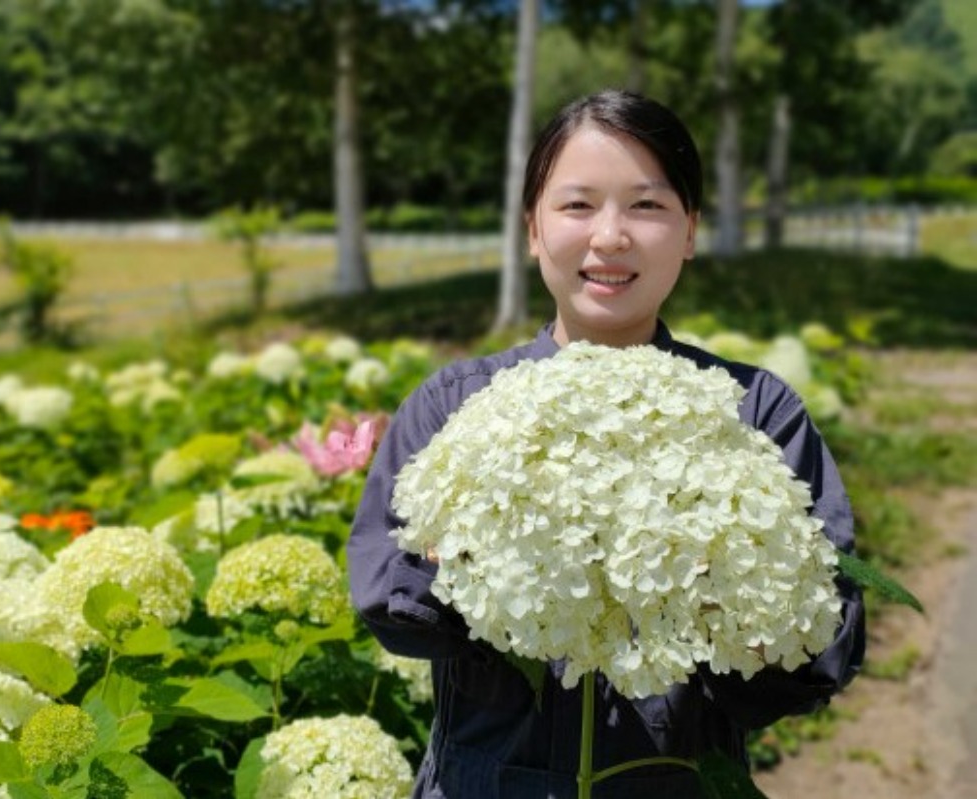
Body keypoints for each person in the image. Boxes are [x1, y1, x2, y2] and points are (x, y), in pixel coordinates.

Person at [346, 89, 865, 798]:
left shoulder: (757, 413)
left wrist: (724, 592)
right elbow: (387, 593)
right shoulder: (454, 405)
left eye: (647, 205)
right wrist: (479, 557)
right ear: (532, 228)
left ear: (689, 231)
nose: (611, 236)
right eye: (577, 205)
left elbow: (821, 638)